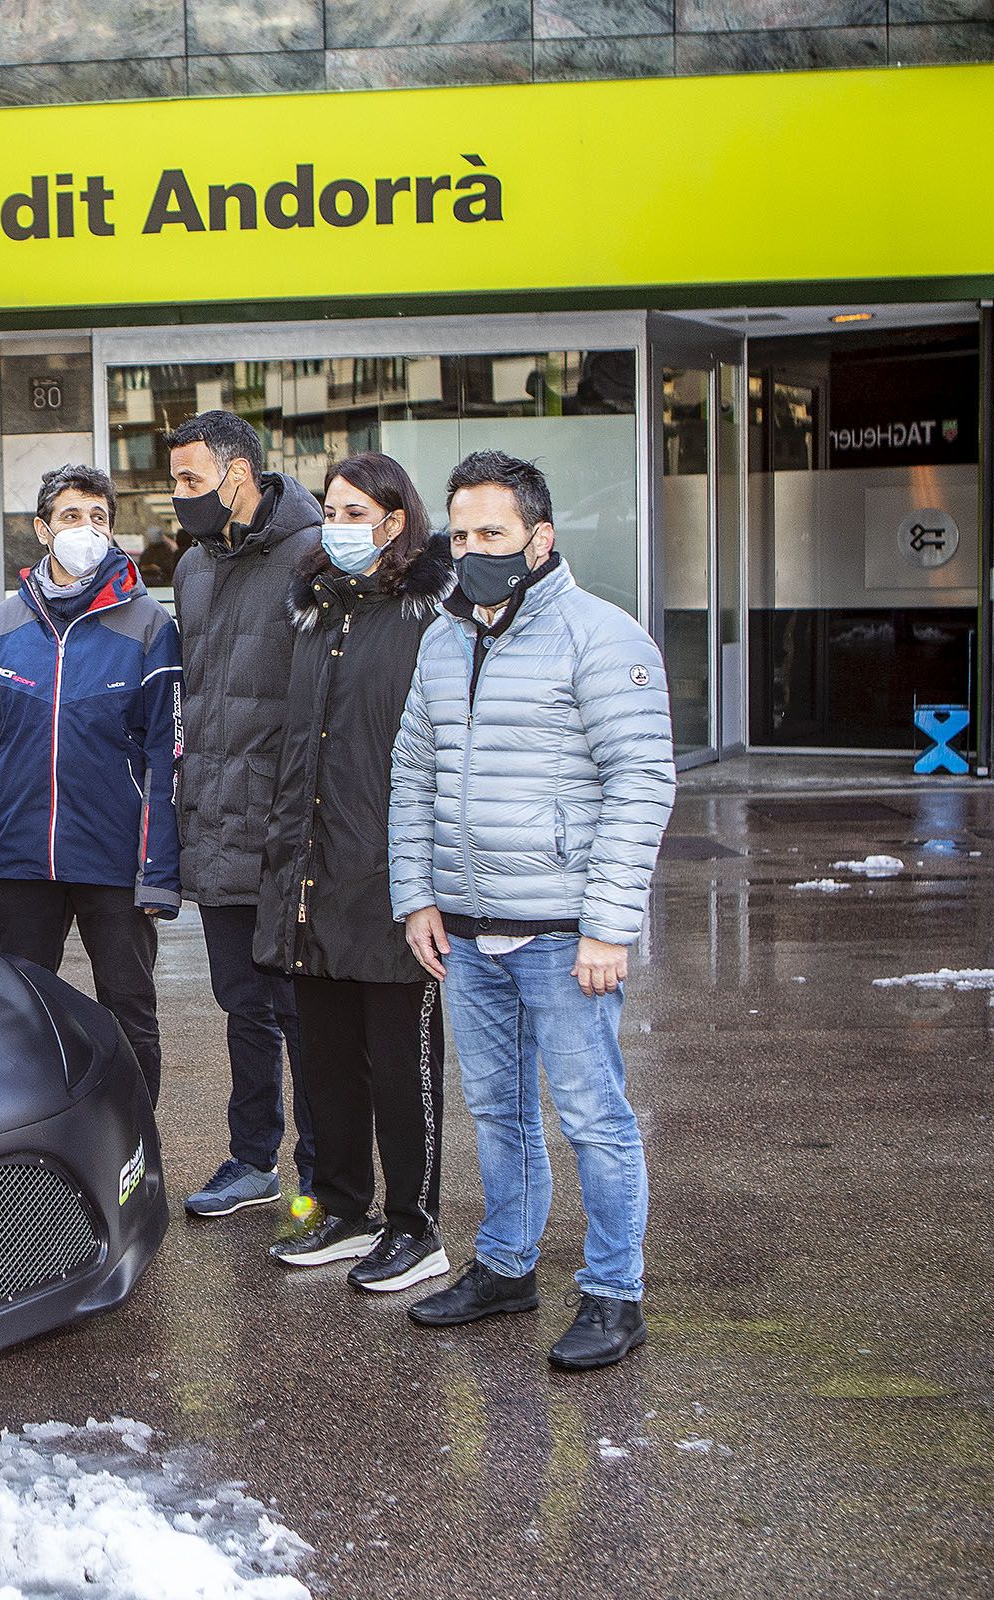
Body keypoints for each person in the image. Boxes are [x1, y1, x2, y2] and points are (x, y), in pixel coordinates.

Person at [390, 449, 674, 1371]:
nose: (471, 550)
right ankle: (507, 1267)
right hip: (467, 930)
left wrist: (608, 926)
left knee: (594, 1115)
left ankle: (612, 1295)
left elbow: (641, 784)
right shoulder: (441, 637)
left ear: (539, 538)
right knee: (498, 1111)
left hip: (563, 935)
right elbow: (412, 777)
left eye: (492, 534)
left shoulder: (603, 636)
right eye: (460, 533)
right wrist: (416, 896)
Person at [255, 453, 455, 1293]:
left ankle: (416, 1225)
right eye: (329, 509)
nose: (335, 524)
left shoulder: (429, 618)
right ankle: (342, 1207)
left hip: (393, 880)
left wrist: (434, 881)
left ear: (395, 519)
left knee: (398, 1061)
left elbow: (440, 757)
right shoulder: (314, 614)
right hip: (311, 871)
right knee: (326, 1055)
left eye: (352, 510)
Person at [0, 464, 181, 1101]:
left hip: (113, 862)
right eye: (71, 516)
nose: (87, 530)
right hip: (20, 862)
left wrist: (158, 872)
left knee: (129, 1014)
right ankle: (23, 1153)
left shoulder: (150, 627)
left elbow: (166, 760)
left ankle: (137, 1143)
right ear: (43, 530)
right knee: (19, 1020)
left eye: (99, 518)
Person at [165, 410, 319, 1219]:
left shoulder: (313, 554)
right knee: (242, 1002)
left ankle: (323, 1174)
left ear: (238, 473)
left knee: (300, 1009)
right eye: (174, 482)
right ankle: (251, 1159)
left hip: (288, 834)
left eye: (191, 480)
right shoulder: (193, 566)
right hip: (218, 827)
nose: (179, 497)